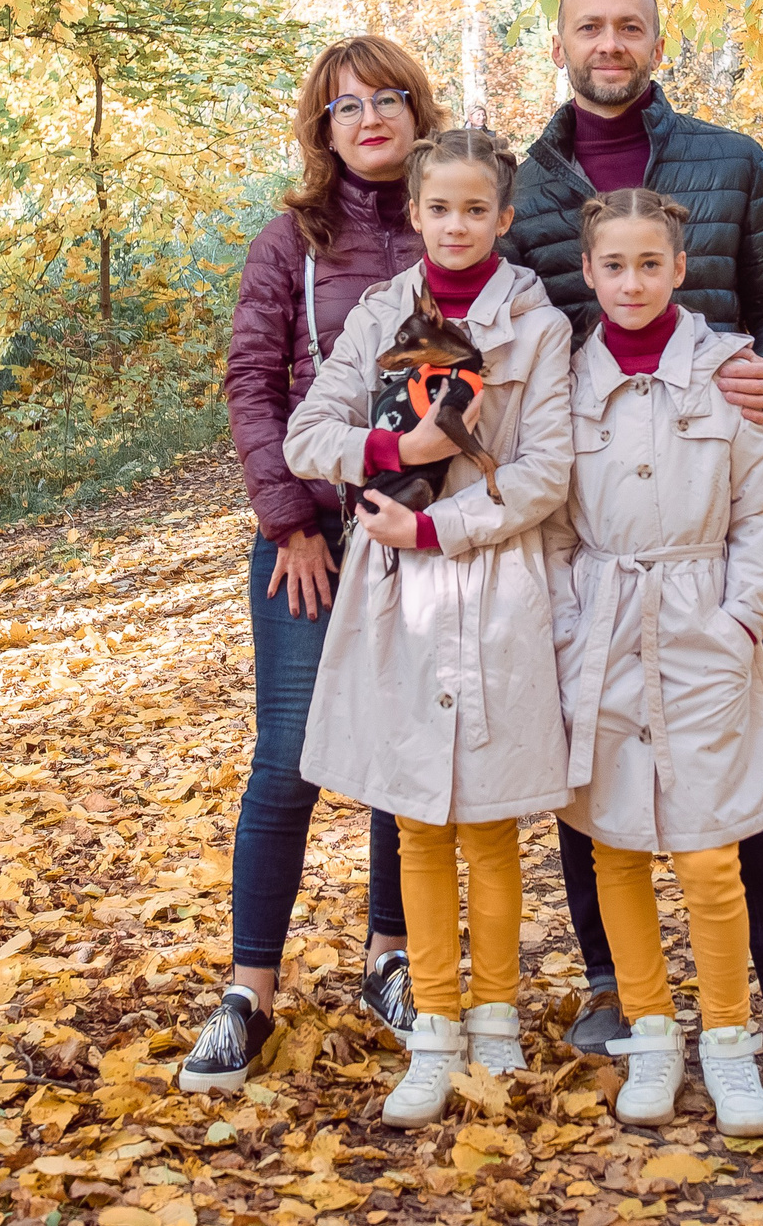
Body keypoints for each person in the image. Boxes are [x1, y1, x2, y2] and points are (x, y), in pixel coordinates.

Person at [504, 0, 763, 1125]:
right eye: (589, 27)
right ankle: (623, 992)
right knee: (592, 773)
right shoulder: (522, 186)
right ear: (559, 44)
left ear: (656, 42)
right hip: (590, 524)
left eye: (629, 26)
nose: (609, 43)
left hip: (702, 527)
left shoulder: (728, 159)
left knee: (751, 786)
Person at [284, 128, 577, 1128]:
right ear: (413, 214)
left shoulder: (536, 329)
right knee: (416, 819)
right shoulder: (378, 316)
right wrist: (394, 452)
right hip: (398, 595)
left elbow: (545, 471)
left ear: (504, 217)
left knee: (489, 821)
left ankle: (495, 1015)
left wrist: (437, 524)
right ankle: (436, 1026)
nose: (455, 225)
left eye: (475, 209)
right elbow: (308, 436)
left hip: (494, 580)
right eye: (438, 208)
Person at [184, 37, 439, 1094]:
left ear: (418, 112)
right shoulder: (290, 242)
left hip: (421, 534)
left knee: (401, 751)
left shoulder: (453, 221)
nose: (370, 117)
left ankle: (391, 958)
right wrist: (288, 517)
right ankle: (249, 992)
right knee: (288, 757)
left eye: (388, 98)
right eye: (347, 105)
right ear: (323, 128)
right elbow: (252, 379)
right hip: (313, 540)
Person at [550, 188, 763, 1137]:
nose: (632, 281)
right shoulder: (568, 380)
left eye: (651, 263)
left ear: (680, 269)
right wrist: (569, 628)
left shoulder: (729, 373)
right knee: (614, 842)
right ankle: (651, 1031)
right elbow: (555, 526)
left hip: (701, 626)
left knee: (708, 851)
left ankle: (728, 1040)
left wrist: (742, 622)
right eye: (614, 265)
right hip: (602, 628)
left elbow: (757, 511)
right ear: (589, 272)